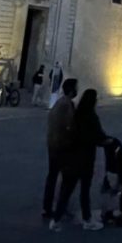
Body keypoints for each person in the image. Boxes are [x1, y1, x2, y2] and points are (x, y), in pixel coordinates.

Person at [50, 89, 107, 232]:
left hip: (72, 159)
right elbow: (98, 137)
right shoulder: (92, 117)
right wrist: (109, 141)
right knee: (84, 192)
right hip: (85, 160)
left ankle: (55, 220)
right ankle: (87, 220)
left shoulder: (76, 114)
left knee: (67, 190)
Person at [42, 77, 78, 221]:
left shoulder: (59, 103)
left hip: (53, 145)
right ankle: (61, 208)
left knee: (52, 177)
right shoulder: (67, 105)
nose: (77, 90)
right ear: (71, 90)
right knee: (67, 178)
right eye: (76, 87)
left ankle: (47, 207)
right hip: (61, 146)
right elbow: (71, 125)